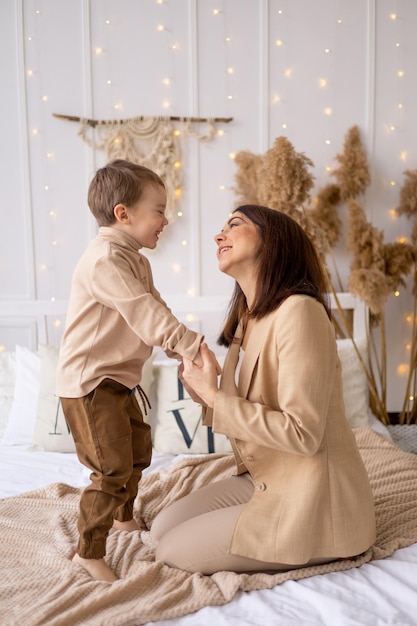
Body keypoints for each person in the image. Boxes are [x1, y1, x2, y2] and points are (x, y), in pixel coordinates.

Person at [150, 204, 376, 575]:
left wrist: (214, 397)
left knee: (169, 553)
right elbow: (243, 413)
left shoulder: (300, 312)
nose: (219, 235)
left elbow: (302, 433)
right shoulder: (248, 320)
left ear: (273, 241)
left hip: (315, 499)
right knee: (160, 529)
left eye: (235, 225)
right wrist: (201, 386)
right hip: (266, 476)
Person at [56, 159, 205, 583]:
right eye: (158, 209)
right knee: (110, 468)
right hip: (90, 383)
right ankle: (88, 550)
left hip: (119, 379)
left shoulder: (135, 259)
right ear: (125, 214)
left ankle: (123, 518)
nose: (166, 219)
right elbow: (142, 312)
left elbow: (156, 309)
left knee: (139, 452)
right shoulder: (105, 259)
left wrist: (182, 352)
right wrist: (189, 344)